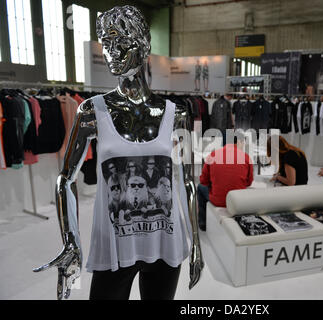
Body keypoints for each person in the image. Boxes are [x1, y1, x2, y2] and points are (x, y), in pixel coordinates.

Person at [33, 5, 203, 300]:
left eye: (119, 42)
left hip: (165, 245)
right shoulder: (91, 112)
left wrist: (197, 243)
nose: (111, 51)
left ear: (142, 44)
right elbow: (65, 179)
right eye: (106, 43)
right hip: (114, 247)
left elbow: (187, 182)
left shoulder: (176, 114)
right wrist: (70, 241)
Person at [197, 132, 253, 231]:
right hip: (238, 200)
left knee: (200, 187)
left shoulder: (213, 154)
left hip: (218, 201)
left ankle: (203, 224)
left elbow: (203, 181)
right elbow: (249, 182)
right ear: (240, 141)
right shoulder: (246, 157)